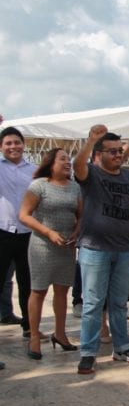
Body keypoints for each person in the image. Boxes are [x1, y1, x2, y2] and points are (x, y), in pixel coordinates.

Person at [73, 125, 129, 374]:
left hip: (126, 250)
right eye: (112, 151)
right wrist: (90, 139)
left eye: (120, 150)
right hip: (95, 250)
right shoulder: (92, 174)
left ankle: (122, 347)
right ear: (100, 154)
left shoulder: (128, 177)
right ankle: (88, 352)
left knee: (119, 303)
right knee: (93, 304)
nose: (118, 154)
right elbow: (77, 166)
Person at [18, 148, 82, 359]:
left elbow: (81, 215)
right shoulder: (39, 185)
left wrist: (76, 232)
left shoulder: (75, 188)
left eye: (69, 159)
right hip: (42, 246)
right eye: (63, 159)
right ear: (51, 163)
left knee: (62, 291)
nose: (68, 162)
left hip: (66, 247)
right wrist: (49, 232)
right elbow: (24, 215)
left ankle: (60, 334)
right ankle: (35, 337)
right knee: (38, 290)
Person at [0, 126, 36, 339]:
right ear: (1, 147)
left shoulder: (34, 170)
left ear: (24, 144)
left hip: (28, 233)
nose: (13, 146)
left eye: (17, 142)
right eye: (8, 143)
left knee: (27, 283)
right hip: (3, 232)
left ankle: (29, 326)